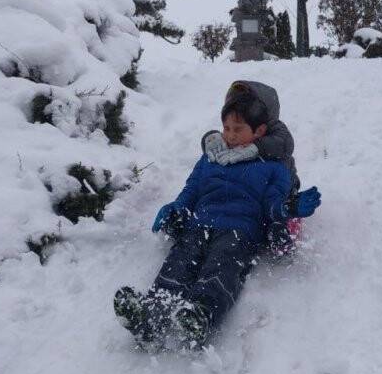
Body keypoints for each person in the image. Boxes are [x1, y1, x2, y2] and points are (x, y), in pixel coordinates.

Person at [113, 91, 321, 348]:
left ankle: (201, 315)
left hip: (240, 230)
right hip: (199, 223)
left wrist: (289, 207)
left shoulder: (272, 166)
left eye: (238, 128)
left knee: (222, 264)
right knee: (180, 259)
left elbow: (272, 206)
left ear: (259, 131)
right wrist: (177, 208)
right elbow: (192, 190)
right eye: (226, 127)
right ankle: (151, 316)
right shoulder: (211, 156)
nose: (230, 135)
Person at [197, 80, 300, 255]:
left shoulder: (274, 126)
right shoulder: (238, 128)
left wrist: (258, 147)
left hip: (282, 186)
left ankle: (279, 225)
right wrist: (210, 138)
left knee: (275, 190)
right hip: (251, 185)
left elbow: (284, 143)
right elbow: (223, 135)